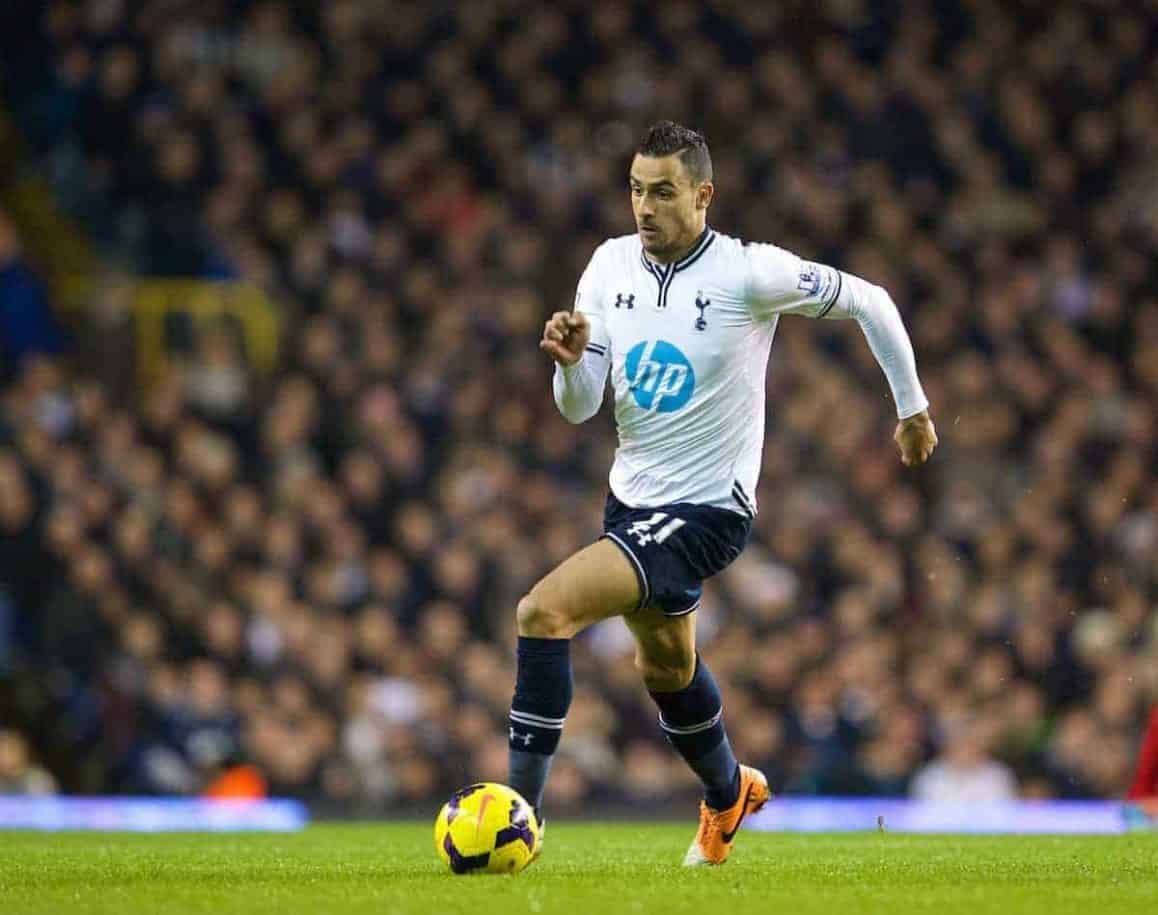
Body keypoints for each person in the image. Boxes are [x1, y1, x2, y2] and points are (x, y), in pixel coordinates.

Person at [506, 121, 937, 866]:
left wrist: (913, 408)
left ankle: (517, 815)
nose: (645, 205)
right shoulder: (608, 265)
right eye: (637, 189)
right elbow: (578, 405)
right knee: (665, 669)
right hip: (632, 502)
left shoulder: (747, 273)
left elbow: (871, 299)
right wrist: (573, 363)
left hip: (709, 510)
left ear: (702, 195)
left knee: (542, 611)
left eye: (664, 190)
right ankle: (729, 791)